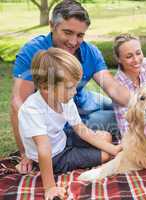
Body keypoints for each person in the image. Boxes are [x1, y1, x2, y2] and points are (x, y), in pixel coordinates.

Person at [11, 0, 129, 174]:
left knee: (129, 111)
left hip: (80, 104)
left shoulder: (90, 51)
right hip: (54, 122)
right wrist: (25, 153)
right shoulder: (33, 52)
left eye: (80, 35)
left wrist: (144, 103)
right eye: (68, 32)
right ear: (52, 26)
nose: (74, 41)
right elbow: (17, 105)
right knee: (119, 121)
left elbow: (114, 89)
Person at [18, 48, 122, 200]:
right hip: (54, 156)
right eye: (69, 87)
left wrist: (114, 149)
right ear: (46, 87)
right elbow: (44, 149)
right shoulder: (32, 110)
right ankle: (81, 154)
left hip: (62, 138)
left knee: (106, 136)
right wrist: (50, 187)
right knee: (105, 156)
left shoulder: (65, 99)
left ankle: (102, 148)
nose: (74, 92)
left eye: (75, 86)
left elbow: (81, 129)